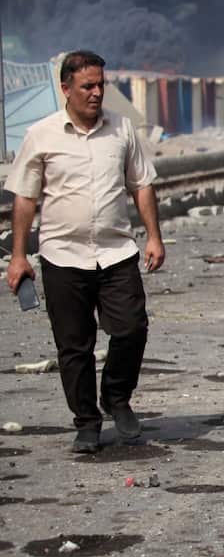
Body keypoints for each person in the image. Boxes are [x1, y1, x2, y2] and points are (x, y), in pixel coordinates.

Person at [4, 51, 165, 454]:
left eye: (100, 85)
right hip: (62, 256)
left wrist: (154, 236)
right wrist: (19, 256)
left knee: (131, 328)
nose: (96, 93)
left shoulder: (122, 129)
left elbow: (141, 185)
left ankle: (116, 397)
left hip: (116, 251)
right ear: (65, 89)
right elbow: (25, 198)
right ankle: (87, 422)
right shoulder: (41, 135)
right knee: (74, 345)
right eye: (87, 86)